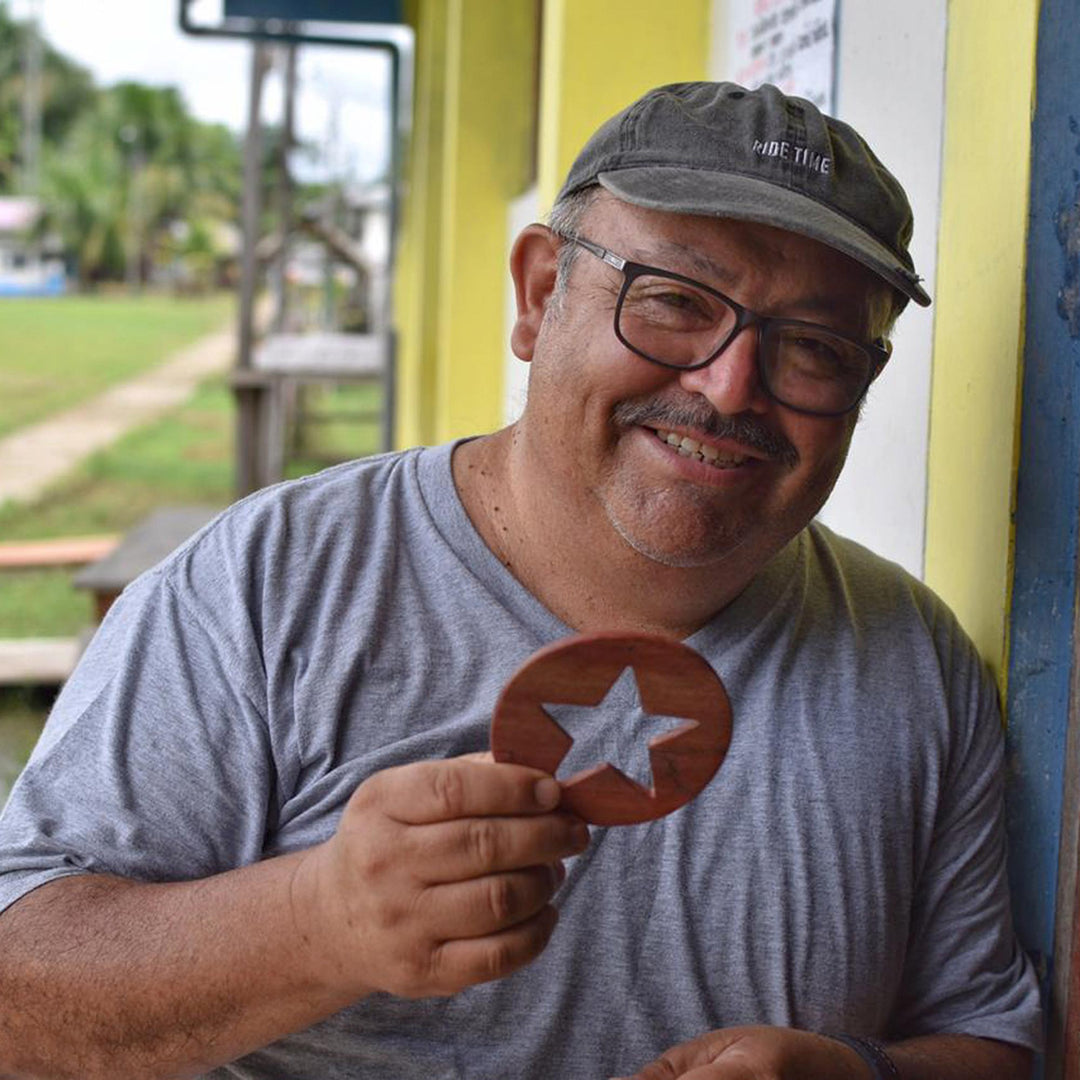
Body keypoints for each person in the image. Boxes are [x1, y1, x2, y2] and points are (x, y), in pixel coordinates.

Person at [0, 82, 1041, 1079]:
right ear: (541, 295)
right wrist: (320, 922)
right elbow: (17, 1004)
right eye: (674, 301)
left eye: (813, 346)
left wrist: (857, 1073)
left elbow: (989, 1037)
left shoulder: (914, 658)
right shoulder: (269, 586)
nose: (729, 385)